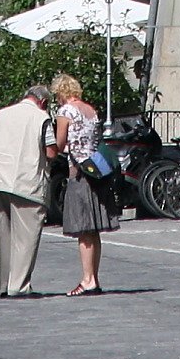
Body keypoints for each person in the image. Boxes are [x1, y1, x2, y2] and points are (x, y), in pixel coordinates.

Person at [0, 80, 51, 299]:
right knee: (26, 235)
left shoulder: (0, 115)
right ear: (43, 102)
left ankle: (4, 284)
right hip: (25, 181)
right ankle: (18, 286)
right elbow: (50, 151)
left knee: (2, 234)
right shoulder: (41, 118)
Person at [48, 72, 111, 297]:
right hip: (96, 169)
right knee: (94, 230)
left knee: (84, 228)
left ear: (61, 93)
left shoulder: (66, 111)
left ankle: (87, 279)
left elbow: (60, 142)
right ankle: (94, 277)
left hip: (78, 171)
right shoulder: (90, 110)